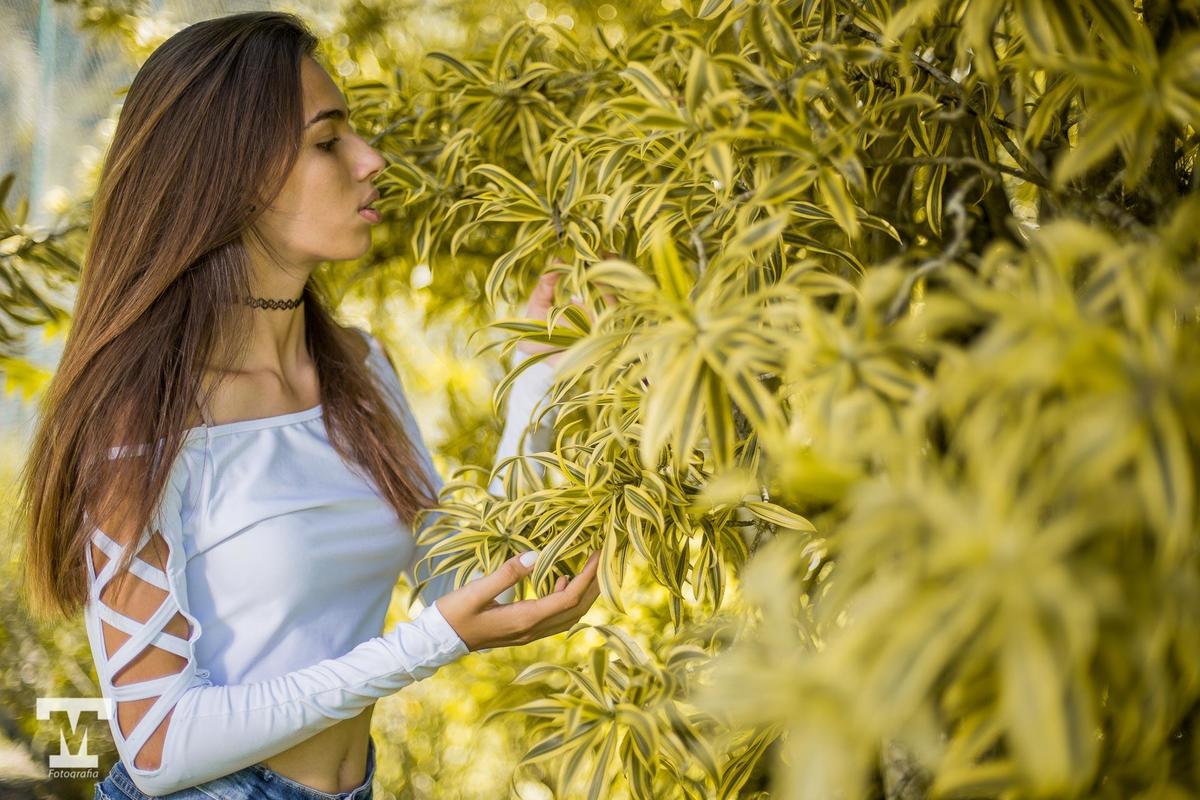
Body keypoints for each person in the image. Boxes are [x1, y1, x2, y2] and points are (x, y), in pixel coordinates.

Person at [15, 10, 601, 800]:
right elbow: (156, 745)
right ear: (234, 175)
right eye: (328, 142)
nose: (371, 159)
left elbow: (451, 582)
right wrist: (429, 645)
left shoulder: (360, 371)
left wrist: (539, 370)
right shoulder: (138, 422)